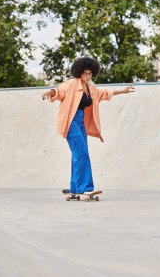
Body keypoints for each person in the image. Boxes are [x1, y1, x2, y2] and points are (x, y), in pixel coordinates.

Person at [42, 56, 134, 194]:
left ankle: (74, 187)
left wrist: (123, 91)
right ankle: (85, 188)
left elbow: (105, 93)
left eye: (90, 73)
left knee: (77, 155)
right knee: (82, 154)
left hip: (81, 123)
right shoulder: (72, 84)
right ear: (79, 73)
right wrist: (50, 92)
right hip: (71, 122)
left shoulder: (91, 88)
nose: (88, 76)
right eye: (85, 73)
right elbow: (59, 91)